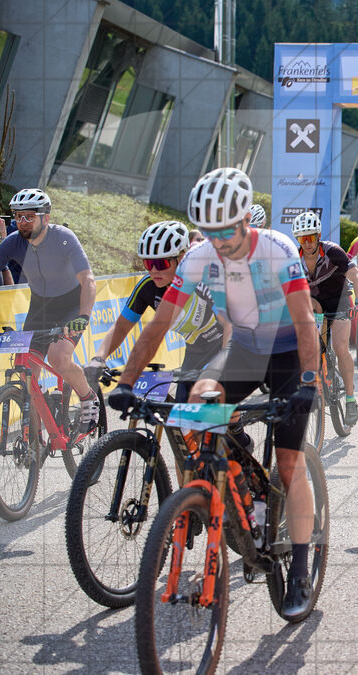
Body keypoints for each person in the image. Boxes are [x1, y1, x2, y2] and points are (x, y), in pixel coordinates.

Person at [108, 167, 320, 620]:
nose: (219, 239)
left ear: (246, 219)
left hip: (287, 354)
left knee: (289, 463)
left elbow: (305, 323)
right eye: (209, 230)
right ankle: (225, 487)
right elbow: (159, 324)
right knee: (195, 403)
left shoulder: (278, 250)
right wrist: (127, 381)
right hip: (243, 347)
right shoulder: (198, 258)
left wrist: (307, 381)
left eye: (226, 228)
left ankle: (300, 567)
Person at [0, 189, 100, 431]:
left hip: (71, 306)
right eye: (18, 217)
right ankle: (36, 429)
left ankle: (87, 398)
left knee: (59, 357)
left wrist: (83, 316)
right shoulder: (12, 242)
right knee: (27, 372)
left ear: (46, 218)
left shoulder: (64, 238)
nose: (22, 222)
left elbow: (88, 280)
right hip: (40, 307)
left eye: (29, 216)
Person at [84, 221, 227, 402]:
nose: (153, 270)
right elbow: (121, 327)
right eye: (148, 263)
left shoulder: (204, 279)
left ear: (181, 258)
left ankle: (236, 430)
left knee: (214, 411)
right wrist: (99, 358)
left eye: (161, 263)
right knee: (182, 416)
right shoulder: (148, 287)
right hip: (195, 352)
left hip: (226, 346)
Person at [293, 210, 358, 426]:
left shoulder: (333, 252)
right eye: (302, 238)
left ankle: (350, 399)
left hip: (339, 301)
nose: (307, 243)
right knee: (310, 347)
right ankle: (321, 376)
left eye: (311, 237)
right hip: (314, 305)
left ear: (318, 236)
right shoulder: (295, 259)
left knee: (341, 348)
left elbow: (357, 277)